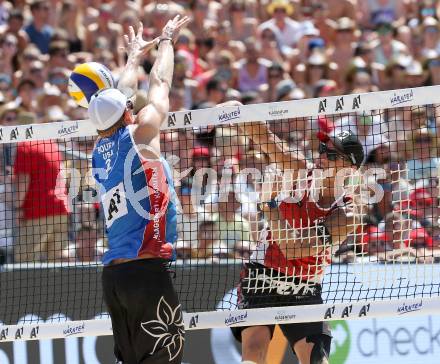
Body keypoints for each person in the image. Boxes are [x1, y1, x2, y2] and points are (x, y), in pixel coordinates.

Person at [90, 16, 189, 363]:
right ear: (129, 111)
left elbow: (118, 98)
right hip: (145, 271)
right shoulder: (141, 133)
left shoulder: (98, 151)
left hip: (114, 278)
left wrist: (132, 59)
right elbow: (160, 81)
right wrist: (166, 41)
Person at [233, 116, 365, 364]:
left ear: (350, 169)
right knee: (254, 353)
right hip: (263, 276)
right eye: (323, 150)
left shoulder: (347, 214)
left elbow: (293, 249)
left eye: (333, 155)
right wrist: (238, 112)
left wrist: (268, 204)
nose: (323, 156)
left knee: (317, 361)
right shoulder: (298, 170)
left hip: (304, 289)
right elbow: (265, 138)